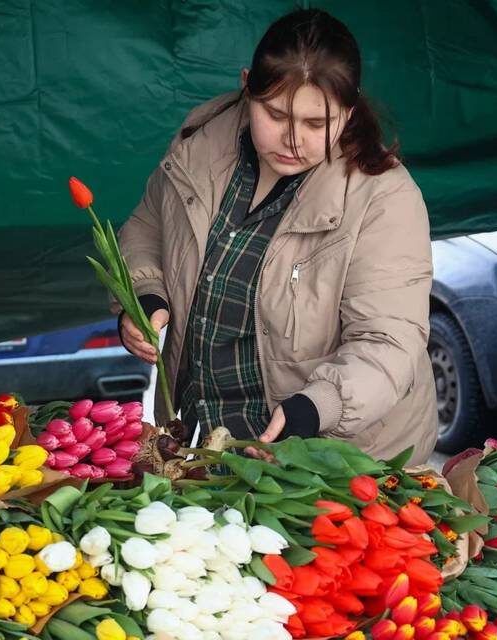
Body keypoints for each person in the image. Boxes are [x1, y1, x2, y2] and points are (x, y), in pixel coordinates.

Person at [116, 8, 438, 465]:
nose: (293, 139)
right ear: (248, 86)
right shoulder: (202, 143)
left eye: (316, 124)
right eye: (275, 114)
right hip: (206, 441)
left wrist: (320, 405)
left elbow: (389, 341)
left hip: (334, 458)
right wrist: (146, 294)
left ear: (348, 113)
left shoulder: (384, 198)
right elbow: (148, 226)